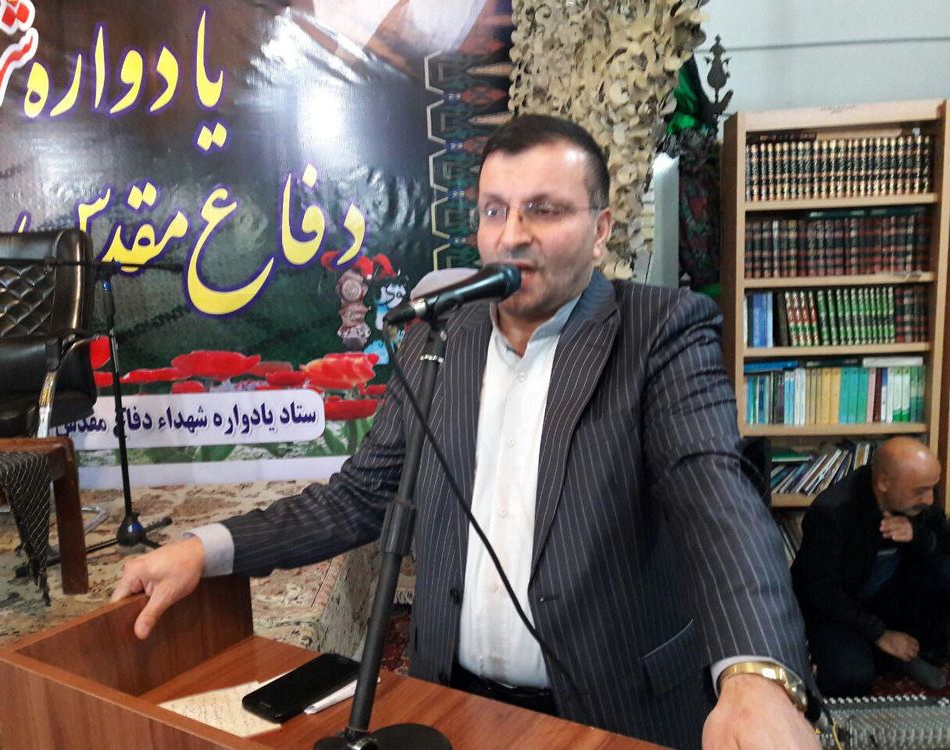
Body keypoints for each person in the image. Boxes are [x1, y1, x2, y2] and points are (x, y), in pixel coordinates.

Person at [113, 114, 817, 750]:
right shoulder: (438, 336)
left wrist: (756, 676)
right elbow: (360, 496)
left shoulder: (661, 332)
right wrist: (205, 549)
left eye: (545, 209)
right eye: (495, 210)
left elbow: (714, 497)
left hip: (609, 716)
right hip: (451, 706)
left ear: (602, 229)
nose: (513, 234)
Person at [791, 437, 950, 695]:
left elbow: (943, 544)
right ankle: (884, 654)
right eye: (920, 491)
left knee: (942, 568)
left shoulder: (921, 498)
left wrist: (917, 535)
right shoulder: (832, 511)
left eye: (933, 488)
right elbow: (823, 593)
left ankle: (909, 652)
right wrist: (880, 634)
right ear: (884, 482)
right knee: (850, 677)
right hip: (840, 609)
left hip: (890, 598)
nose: (930, 499)